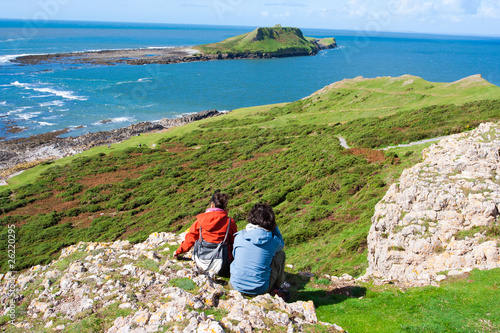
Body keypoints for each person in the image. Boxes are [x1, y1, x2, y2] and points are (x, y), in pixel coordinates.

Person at [229, 203, 289, 300]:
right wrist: (275, 228)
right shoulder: (272, 241)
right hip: (260, 289)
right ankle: (277, 286)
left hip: (235, 285)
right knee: (280, 254)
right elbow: (281, 244)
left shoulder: (239, 236)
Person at [174, 190, 237, 262]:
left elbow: (190, 240)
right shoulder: (230, 222)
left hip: (202, 261)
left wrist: (178, 252)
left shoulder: (200, 220)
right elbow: (234, 242)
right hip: (223, 262)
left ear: (212, 205)